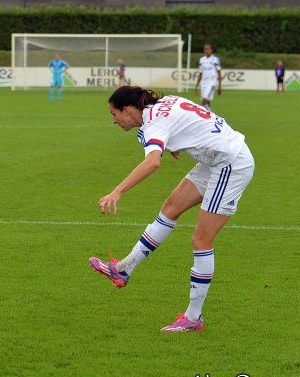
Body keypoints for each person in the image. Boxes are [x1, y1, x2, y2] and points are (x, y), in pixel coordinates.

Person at [89, 86, 254, 332]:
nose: (113, 120)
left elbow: (153, 162)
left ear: (126, 109)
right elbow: (192, 118)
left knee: (201, 241)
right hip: (216, 159)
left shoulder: (152, 125)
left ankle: (193, 318)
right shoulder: (164, 103)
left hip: (230, 164)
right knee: (170, 207)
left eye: (114, 114)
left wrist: (117, 191)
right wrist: (176, 142)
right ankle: (123, 269)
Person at [194, 43, 222, 112]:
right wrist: (197, 86)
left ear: (211, 50)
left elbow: (219, 73)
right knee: (206, 102)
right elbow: (200, 73)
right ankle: (210, 116)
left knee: (205, 100)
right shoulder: (202, 60)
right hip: (204, 83)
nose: (206, 51)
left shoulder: (215, 59)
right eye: (205, 49)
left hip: (211, 83)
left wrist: (219, 87)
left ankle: (211, 116)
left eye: (208, 49)